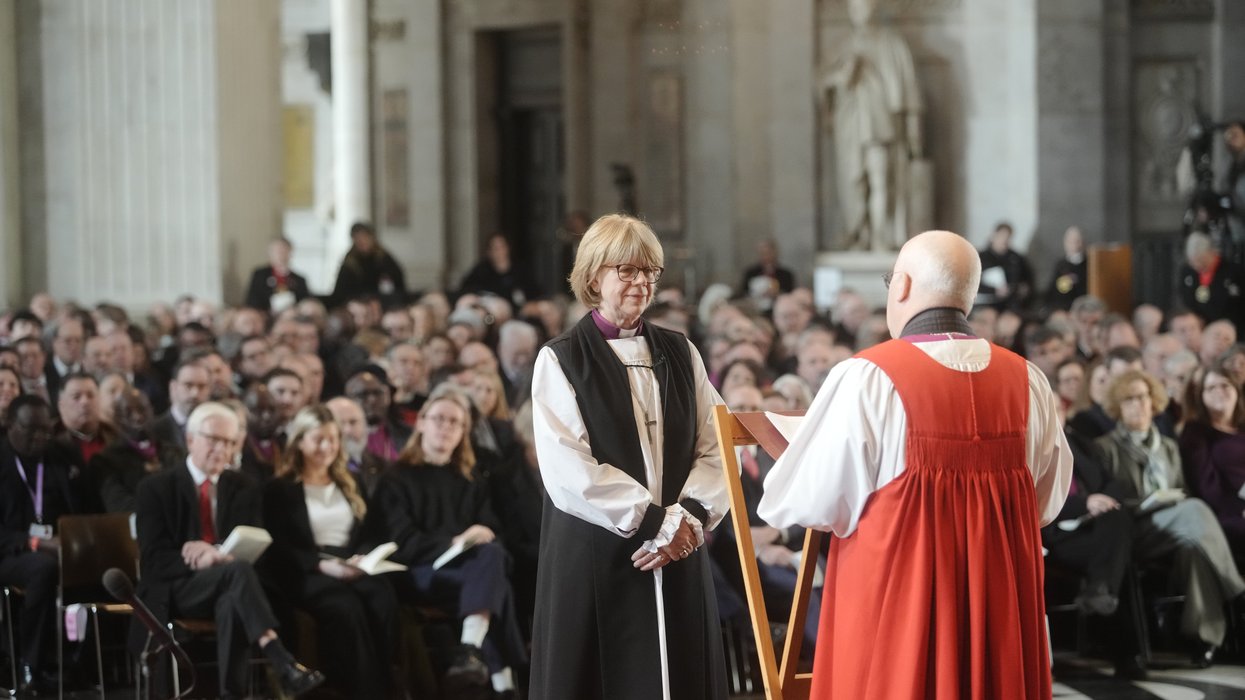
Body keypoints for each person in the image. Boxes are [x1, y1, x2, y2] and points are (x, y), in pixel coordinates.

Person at [758, 230, 1072, 699]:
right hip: (997, 612)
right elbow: (1044, 503)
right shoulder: (1028, 380)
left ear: (901, 285)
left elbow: (809, 503)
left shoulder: (866, 376)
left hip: (898, 610)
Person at [530, 213, 729, 700]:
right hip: (602, 551)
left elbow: (716, 444)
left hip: (680, 545)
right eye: (628, 270)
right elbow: (568, 469)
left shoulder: (681, 352)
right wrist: (654, 523)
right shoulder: (562, 359)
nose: (642, 282)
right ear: (595, 275)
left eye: (650, 272)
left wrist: (689, 520)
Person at [133, 402, 325, 698]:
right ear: (190, 440)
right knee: (236, 573)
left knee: (232, 598)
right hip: (177, 588)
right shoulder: (155, 488)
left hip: (231, 586)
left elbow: (254, 543)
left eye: (229, 443)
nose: (221, 449)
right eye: (213, 440)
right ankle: (280, 659)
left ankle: (231, 694)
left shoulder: (243, 486)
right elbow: (154, 560)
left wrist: (215, 552)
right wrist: (200, 560)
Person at [378, 387, 526, 698]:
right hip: (418, 572)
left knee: (492, 556)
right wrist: (454, 542)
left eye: (455, 422)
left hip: (470, 573)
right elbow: (401, 541)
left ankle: (474, 655)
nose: (446, 427)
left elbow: (494, 530)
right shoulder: (395, 478)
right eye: (439, 419)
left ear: (464, 432)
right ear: (421, 423)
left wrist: (482, 535)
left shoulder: (470, 479)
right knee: (496, 581)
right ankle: (505, 678)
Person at [1095, 369, 1245, 666]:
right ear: (1117, 407)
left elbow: (1184, 489)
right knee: (1195, 509)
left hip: (1180, 526)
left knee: (1194, 549)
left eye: (1142, 397)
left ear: (1154, 401)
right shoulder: (1106, 448)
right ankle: (1238, 591)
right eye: (1128, 400)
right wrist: (1152, 502)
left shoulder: (1169, 447)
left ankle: (1205, 641)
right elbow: (1113, 504)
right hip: (1137, 529)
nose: (1137, 405)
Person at [262, 406, 398, 699]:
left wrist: (361, 559)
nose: (327, 447)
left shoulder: (352, 483)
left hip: (350, 563)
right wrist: (323, 566)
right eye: (318, 439)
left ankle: (389, 684)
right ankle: (358, 689)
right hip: (307, 569)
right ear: (300, 441)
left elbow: (370, 530)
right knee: (344, 606)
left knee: (382, 598)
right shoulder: (280, 489)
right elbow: (280, 545)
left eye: (333, 440)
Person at [0, 396, 78, 694]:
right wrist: (35, 542)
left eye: (47, 429)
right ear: (10, 424)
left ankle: (76, 662)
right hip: (11, 551)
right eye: (32, 429)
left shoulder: (61, 454)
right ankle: (30, 665)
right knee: (43, 568)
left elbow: (82, 505)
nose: (40, 437)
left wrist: (74, 539)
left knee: (97, 561)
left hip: (62, 547)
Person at [1178, 361, 1245, 568]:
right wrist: (1239, 511)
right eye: (1211, 388)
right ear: (1201, 397)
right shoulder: (1195, 432)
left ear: (1236, 390)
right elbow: (1206, 486)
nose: (1219, 392)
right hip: (1226, 513)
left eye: (1225, 385)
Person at [90, 387, 160, 512]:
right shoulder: (105, 461)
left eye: (142, 410)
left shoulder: (172, 453)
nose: (137, 417)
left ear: (152, 411)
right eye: (128, 412)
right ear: (117, 419)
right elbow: (119, 504)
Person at [1178, 231, 1245, 330]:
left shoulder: (1234, 271)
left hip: (1231, 328)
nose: (1196, 265)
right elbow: (1184, 297)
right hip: (1199, 329)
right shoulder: (1188, 272)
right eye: (1192, 261)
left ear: (1211, 252)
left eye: (1200, 259)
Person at [458, 233, 542, 310]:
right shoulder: (481, 271)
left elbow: (535, 293)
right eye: (495, 248)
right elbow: (466, 289)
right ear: (489, 252)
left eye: (501, 247)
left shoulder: (520, 270)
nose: (498, 252)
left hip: (519, 313)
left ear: (508, 248)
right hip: (491, 314)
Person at [331, 222, 407, 306]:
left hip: (382, 303)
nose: (362, 241)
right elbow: (340, 290)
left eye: (365, 237)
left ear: (372, 237)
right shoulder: (350, 261)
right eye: (358, 238)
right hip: (357, 304)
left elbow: (398, 281)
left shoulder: (382, 257)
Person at [245, 237, 310, 314]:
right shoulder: (260, 275)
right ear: (270, 253)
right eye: (276, 251)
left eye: (283, 250)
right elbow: (251, 300)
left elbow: (305, 303)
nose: (280, 254)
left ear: (290, 252)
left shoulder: (300, 280)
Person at [1045, 225, 1089, 311]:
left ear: (1082, 242)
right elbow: (1054, 290)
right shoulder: (1061, 265)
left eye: (1077, 241)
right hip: (1063, 308)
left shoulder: (1089, 264)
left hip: (1084, 307)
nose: (1073, 244)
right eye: (1070, 241)